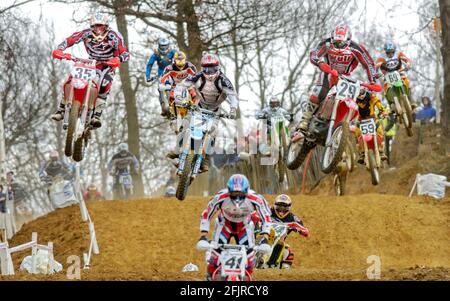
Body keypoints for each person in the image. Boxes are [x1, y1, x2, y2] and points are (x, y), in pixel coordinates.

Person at [51, 12, 130, 129]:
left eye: (101, 26)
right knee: (73, 78)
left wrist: (118, 58)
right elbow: (70, 40)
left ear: (106, 26)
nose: (98, 30)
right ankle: (61, 109)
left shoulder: (115, 36)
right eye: (95, 26)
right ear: (91, 26)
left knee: (104, 84)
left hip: (107, 64)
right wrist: (60, 50)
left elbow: (126, 54)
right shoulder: (85, 33)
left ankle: (97, 116)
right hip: (90, 62)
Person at [297, 24, 377, 132]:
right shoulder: (326, 43)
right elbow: (314, 54)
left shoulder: (356, 48)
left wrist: (372, 81)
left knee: (358, 98)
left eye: (342, 43)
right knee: (318, 94)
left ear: (348, 40)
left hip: (346, 77)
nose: (338, 46)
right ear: (332, 38)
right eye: (336, 42)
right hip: (328, 72)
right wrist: (319, 62)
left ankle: (347, 123)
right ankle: (305, 120)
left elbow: (368, 64)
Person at [170, 53, 239, 172]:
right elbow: (181, 86)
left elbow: (232, 96)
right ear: (202, 68)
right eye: (207, 68)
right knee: (185, 124)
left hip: (215, 111)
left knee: (212, 132)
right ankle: (177, 150)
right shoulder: (197, 77)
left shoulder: (223, 80)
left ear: (218, 68)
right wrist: (179, 98)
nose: (210, 72)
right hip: (198, 107)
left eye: (212, 68)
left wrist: (233, 109)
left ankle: (205, 160)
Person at [196, 174, 272, 281]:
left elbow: (267, 217)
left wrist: (265, 238)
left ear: (246, 190)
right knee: (215, 253)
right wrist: (203, 236)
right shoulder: (220, 197)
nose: (237, 197)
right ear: (228, 190)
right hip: (224, 225)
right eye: (234, 193)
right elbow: (206, 214)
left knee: (250, 255)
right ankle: (210, 275)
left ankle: (247, 277)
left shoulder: (256, 199)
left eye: (240, 193)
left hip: (244, 227)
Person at [254, 194, 310, 269]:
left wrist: (302, 231)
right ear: (274, 205)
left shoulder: (292, 218)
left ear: (289, 207)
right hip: (261, 238)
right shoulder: (267, 212)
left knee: (288, 251)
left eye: (285, 207)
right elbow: (255, 214)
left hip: (278, 241)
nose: (281, 210)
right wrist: (255, 218)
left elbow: (304, 230)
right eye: (279, 206)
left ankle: (281, 272)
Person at [353, 88, 388, 164]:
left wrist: (383, 111)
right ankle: (362, 153)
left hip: (372, 118)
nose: (362, 102)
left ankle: (381, 151)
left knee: (380, 130)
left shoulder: (371, 97)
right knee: (357, 133)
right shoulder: (354, 99)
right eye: (359, 98)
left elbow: (378, 104)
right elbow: (350, 108)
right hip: (361, 120)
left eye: (362, 98)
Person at [159, 51, 198, 117]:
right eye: (178, 60)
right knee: (171, 97)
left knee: (194, 94)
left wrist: (195, 82)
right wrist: (166, 84)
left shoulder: (190, 66)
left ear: (185, 60)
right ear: (174, 60)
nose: (180, 62)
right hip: (174, 86)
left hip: (187, 84)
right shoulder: (169, 68)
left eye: (182, 60)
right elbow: (163, 78)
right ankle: (172, 111)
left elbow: (196, 75)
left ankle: (196, 109)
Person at [146, 37, 177, 116]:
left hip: (172, 73)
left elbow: (180, 58)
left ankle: (182, 102)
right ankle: (164, 108)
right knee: (160, 90)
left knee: (179, 85)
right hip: (161, 75)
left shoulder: (173, 52)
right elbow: (149, 65)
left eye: (165, 46)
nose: (163, 48)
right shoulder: (156, 54)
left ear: (168, 46)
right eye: (162, 46)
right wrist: (148, 76)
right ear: (159, 46)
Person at [376, 41, 412, 108]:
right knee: (386, 88)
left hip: (399, 71)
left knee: (407, 82)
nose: (390, 54)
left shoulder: (398, 54)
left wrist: (408, 65)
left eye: (392, 52)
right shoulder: (381, 57)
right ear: (385, 51)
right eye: (388, 52)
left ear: (394, 50)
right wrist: (376, 73)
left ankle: (410, 101)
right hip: (387, 75)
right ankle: (391, 105)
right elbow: (376, 66)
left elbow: (407, 60)